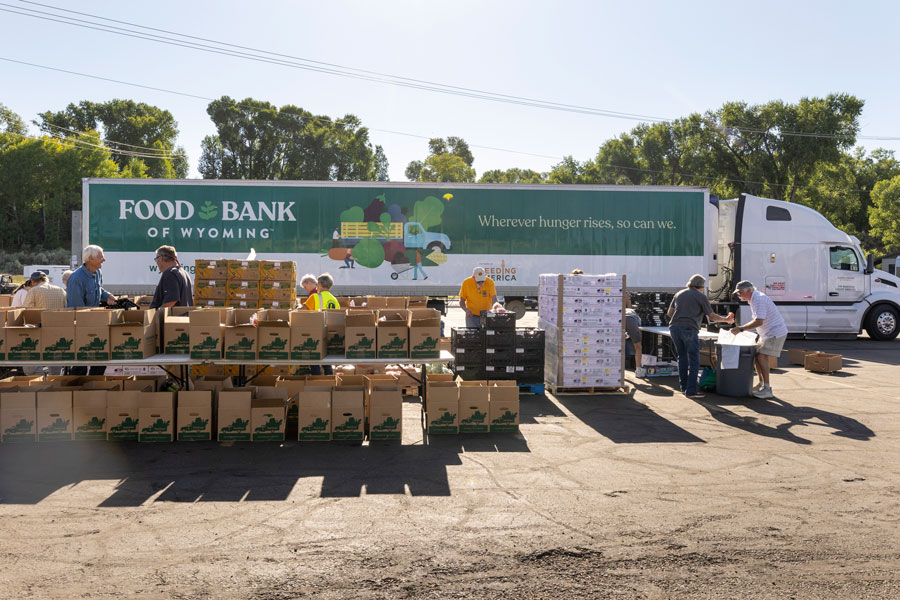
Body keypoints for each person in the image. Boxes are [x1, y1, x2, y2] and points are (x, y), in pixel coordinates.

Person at [666, 274, 734, 398]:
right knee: (694, 360)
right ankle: (691, 391)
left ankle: (684, 387)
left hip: (674, 328)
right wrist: (726, 320)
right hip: (690, 329)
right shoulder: (701, 297)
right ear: (702, 285)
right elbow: (712, 316)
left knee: (682, 358)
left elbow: (669, 313)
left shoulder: (679, 294)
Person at [731, 280, 788, 399]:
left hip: (774, 333)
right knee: (756, 355)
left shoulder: (758, 299)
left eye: (740, 292)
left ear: (748, 290)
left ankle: (767, 388)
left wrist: (741, 329)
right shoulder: (754, 299)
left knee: (761, 356)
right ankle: (762, 384)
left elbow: (759, 321)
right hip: (768, 333)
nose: (739, 295)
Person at [304, 273, 340, 376]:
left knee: (314, 361)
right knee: (327, 362)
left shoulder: (315, 297)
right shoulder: (335, 300)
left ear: (319, 284)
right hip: (329, 334)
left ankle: (317, 383)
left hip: (316, 332)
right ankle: (330, 382)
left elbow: (302, 311)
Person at [67, 245, 118, 309]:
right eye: (101, 258)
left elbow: (98, 290)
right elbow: (77, 308)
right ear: (91, 259)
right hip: (82, 317)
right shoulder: (76, 279)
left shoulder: (98, 272)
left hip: (93, 316)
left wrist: (108, 296)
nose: (104, 260)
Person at [624, 292, 646, 379]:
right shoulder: (633, 313)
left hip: (620, 319)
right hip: (632, 321)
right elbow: (637, 325)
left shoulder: (623, 309)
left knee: (619, 347)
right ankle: (638, 370)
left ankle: (619, 370)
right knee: (638, 346)